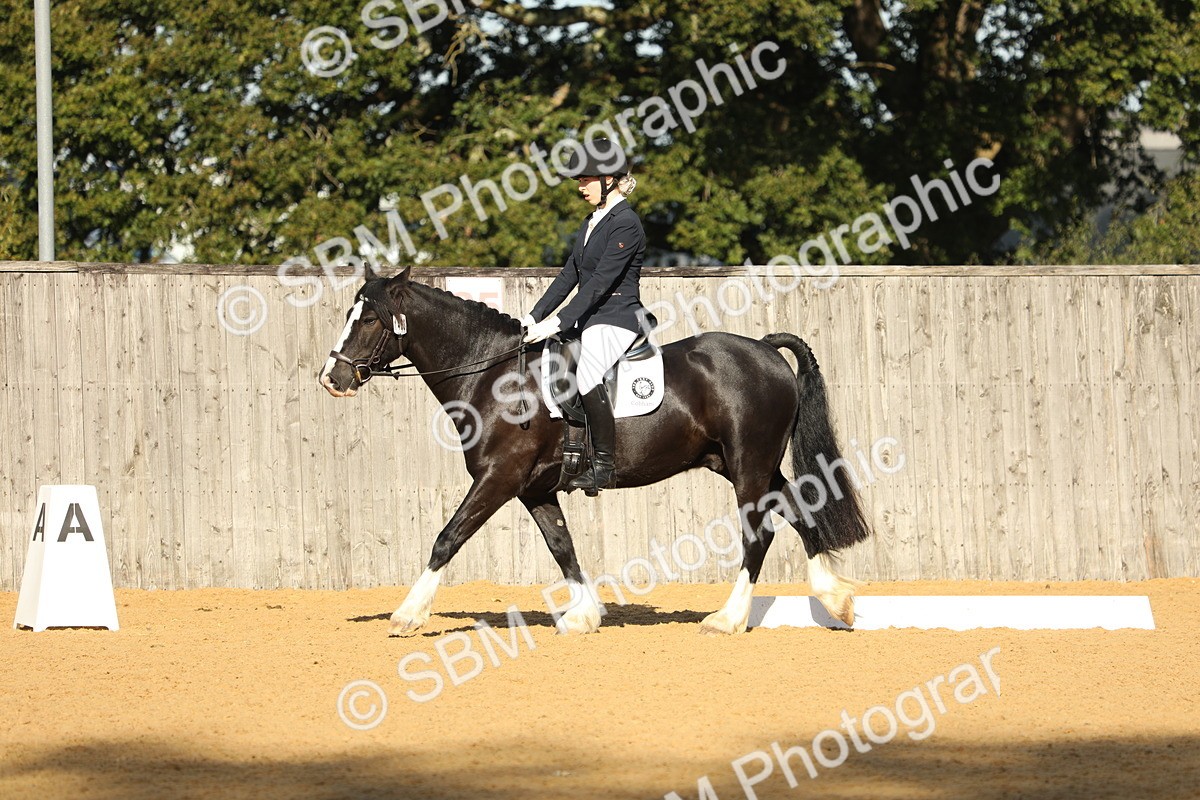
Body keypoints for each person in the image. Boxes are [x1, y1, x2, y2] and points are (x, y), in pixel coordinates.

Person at [521, 137, 647, 494]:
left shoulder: (626, 223)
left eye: (586, 179)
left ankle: (605, 466)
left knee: (588, 371)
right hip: (589, 319)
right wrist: (533, 316)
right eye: (579, 180)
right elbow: (569, 275)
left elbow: (600, 284)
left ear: (609, 179)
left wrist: (558, 322)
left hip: (616, 317)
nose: (580, 186)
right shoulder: (592, 221)